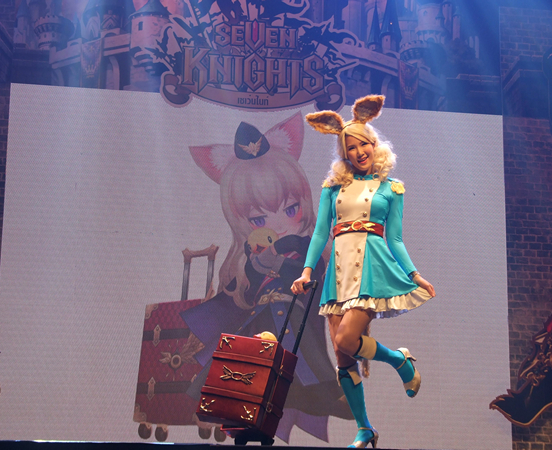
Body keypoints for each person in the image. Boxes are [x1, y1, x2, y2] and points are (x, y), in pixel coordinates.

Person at [181, 113, 352, 442]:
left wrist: (283, 264)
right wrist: (258, 267)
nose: (280, 224)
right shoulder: (252, 253)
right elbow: (245, 290)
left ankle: (319, 399)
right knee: (244, 371)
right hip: (262, 316)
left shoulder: (306, 248)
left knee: (299, 368)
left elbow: (314, 278)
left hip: (294, 317)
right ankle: (243, 425)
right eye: (259, 218)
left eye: (290, 209)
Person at [292, 95, 436, 448]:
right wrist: (307, 271)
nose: (358, 152)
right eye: (351, 148)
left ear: (374, 144)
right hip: (338, 272)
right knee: (342, 357)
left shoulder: (391, 188)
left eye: (363, 145)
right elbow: (320, 233)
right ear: (344, 154)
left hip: (371, 267)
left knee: (346, 340)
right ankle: (364, 428)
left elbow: (395, 239)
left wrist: (414, 274)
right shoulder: (333, 188)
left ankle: (399, 360)